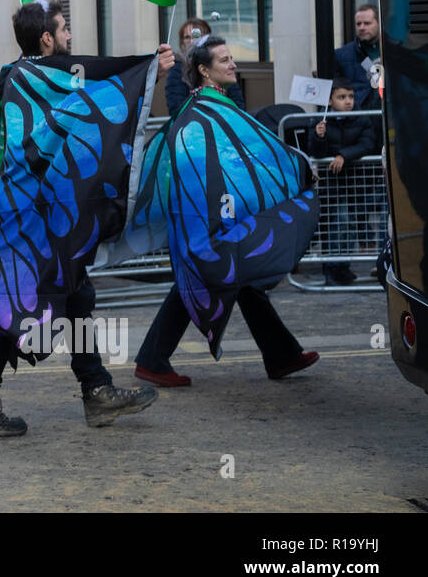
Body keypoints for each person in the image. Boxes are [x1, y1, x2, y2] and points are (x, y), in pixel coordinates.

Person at [0, 0, 173, 436]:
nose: (71, 37)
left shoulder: (35, 79)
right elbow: (92, 101)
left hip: (39, 215)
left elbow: (87, 104)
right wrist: (147, 72)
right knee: (32, 299)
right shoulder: (29, 79)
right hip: (25, 218)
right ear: (47, 38)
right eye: (64, 30)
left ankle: (95, 390)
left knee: (72, 295)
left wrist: (152, 73)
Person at [134, 35, 319, 386]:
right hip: (209, 218)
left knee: (239, 278)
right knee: (205, 276)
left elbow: (251, 151)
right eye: (224, 60)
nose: (233, 64)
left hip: (221, 217)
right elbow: (208, 163)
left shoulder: (218, 106)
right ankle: (152, 360)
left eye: (232, 58)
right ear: (204, 70)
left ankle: (281, 355)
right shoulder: (200, 112)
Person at [307, 78, 377, 286]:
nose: (348, 101)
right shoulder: (321, 121)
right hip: (333, 185)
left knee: (350, 225)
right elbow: (316, 151)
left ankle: (342, 267)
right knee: (338, 223)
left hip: (355, 183)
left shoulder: (361, 119)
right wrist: (319, 137)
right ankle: (333, 268)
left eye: (351, 97)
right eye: (341, 97)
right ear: (330, 101)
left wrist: (343, 156)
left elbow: (367, 144)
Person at [166, 18, 245, 113]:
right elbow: (176, 106)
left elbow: (238, 105)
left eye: (197, 36)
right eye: (187, 37)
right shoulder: (177, 67)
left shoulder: (226, 71)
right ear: (203, 70)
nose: (192, 41)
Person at [334, 5, 382, 112]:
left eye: (367, 23)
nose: (362, 27)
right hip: (358, 117)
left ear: (379, 23)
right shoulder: (341, 55)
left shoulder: (394, 50)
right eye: (358, 24)